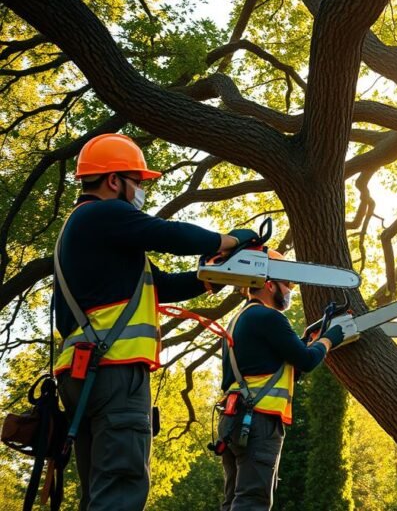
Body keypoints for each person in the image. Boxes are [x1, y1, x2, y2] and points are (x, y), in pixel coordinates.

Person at [54, 133, 255, 511]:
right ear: (115, 180)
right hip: (114, 371)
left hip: (85, 375)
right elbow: (170, 234)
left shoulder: (92, 232)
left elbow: (159, 286)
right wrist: (227, 240)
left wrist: (213, 276)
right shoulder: (104, 213)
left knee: (100, 492)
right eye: (139, 181)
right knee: (121, 489)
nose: (141, 190)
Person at [218, 252, 347, 511]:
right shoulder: (269, 317)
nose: (290, 291)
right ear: (268, 284)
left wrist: (308, 337)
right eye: (287, 284)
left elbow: (276, 365)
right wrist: (330, 338)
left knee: (233, 500)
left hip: (233, 419)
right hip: (258, 420)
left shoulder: (240, 319)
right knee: (253, 500)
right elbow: (307, 361)